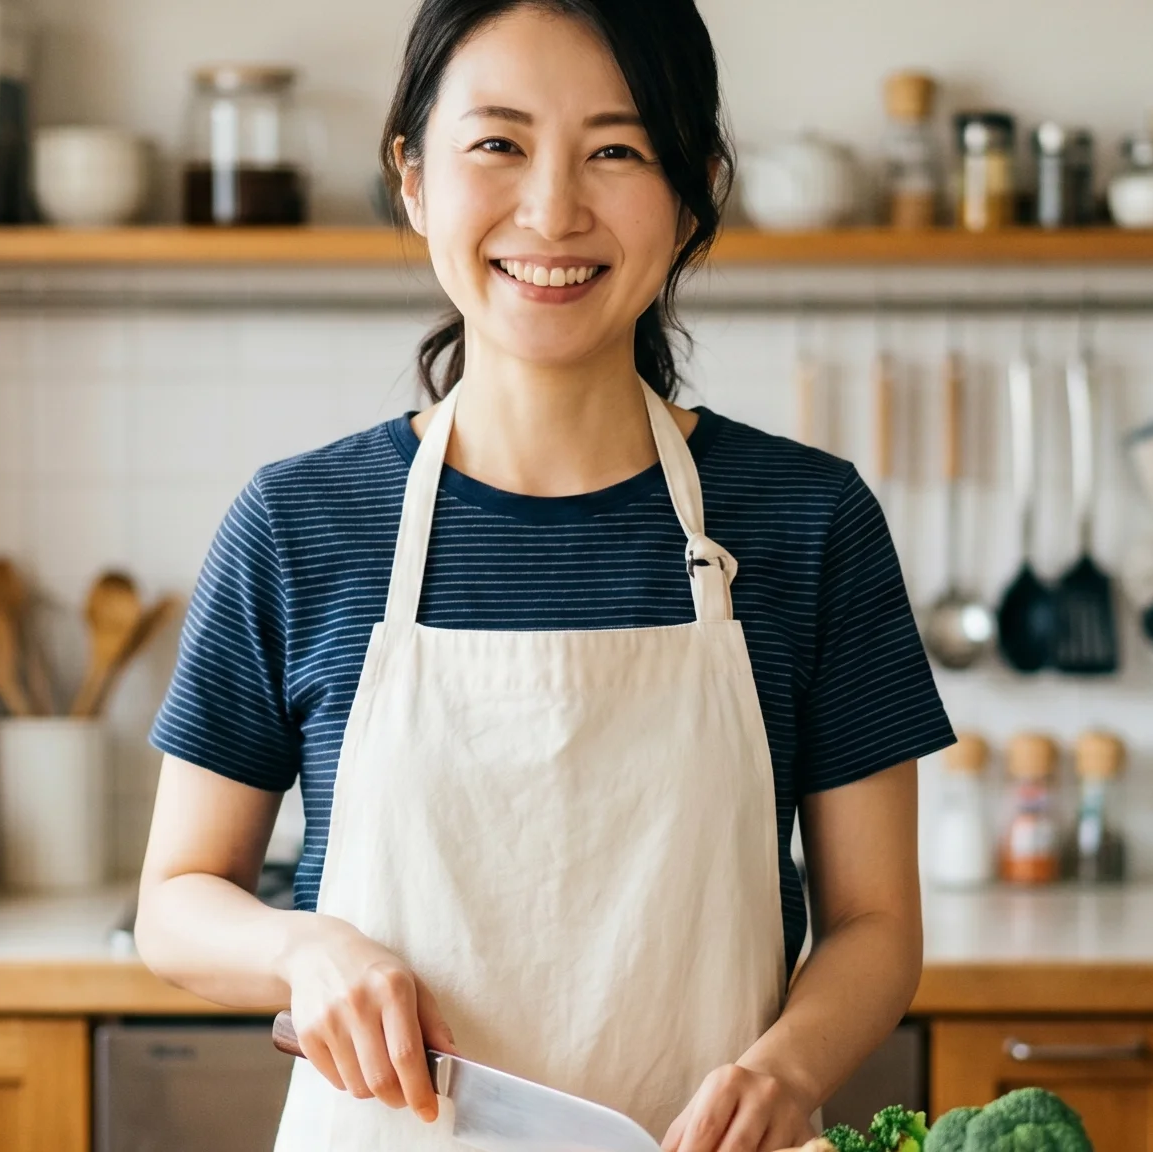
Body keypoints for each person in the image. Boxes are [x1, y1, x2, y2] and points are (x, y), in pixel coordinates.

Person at [134, 2, 953, 1150]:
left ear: (693, 190)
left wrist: (783, 1072)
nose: (553, 209)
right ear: (412, 178)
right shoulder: (299, 523)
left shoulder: (809, 521)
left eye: (616, 150)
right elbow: (174, 903)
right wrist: (304, 949)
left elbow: (875, 924)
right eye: (498, 144)